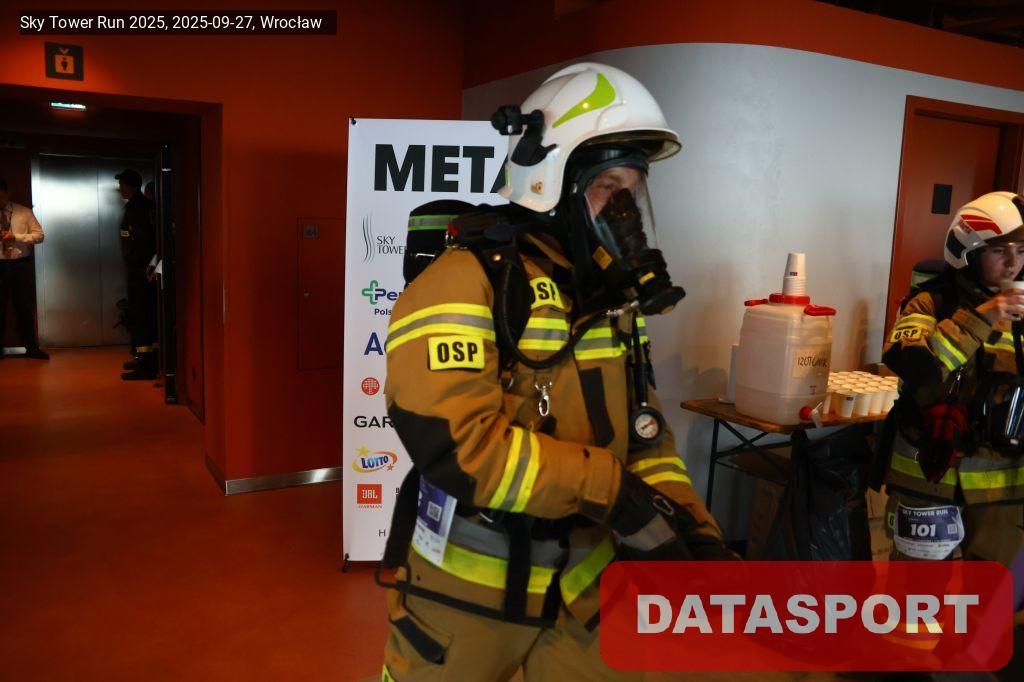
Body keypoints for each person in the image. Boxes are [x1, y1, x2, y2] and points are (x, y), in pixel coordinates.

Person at [377, 63, 734, 682]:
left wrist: (694, 530)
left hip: (586, 587)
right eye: (608, 186)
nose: (624, 211)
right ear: (551, 179)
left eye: (633, 191)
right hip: (468, 597)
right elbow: (461, 448)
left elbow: (645, 437)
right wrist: (611, 491)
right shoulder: (461, 283)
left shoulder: (609, 303)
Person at [881, 191, 1024, 567]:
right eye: (999, 251)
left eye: (1022, 252)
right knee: (918, 590)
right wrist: (983, 316)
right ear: (968, 253)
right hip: (929, 474)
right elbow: (916, 366)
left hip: (1003, 481)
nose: (1013, 264)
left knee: (994, 590)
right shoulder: (930, 302)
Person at [115, 169, 159, 380]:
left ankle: (147, 364)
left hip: (141, 271)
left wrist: (140, 267)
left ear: (130, 186)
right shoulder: (138, 206)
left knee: (143, 315)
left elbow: (142, 242)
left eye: (122, 185)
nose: (120, 189)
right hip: (141, 269)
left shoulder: (139, 208)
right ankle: (145, 358)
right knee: (142, 314)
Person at [0, 178, 48, 360]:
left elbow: (40, 236)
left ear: (7, 194)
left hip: (20, 265)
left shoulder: (24, 212)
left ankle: (32, 348)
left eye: (1, 197)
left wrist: (16, 237)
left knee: (24, 308)